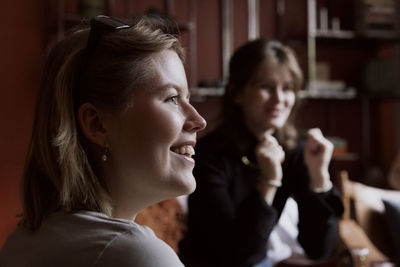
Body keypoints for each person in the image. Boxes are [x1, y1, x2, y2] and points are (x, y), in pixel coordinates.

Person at [0, 14, 206, 267]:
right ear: (97, 124)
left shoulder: (22, 240)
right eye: (172, 98)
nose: (199, 120)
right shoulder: (137, 255)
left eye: (188, 98)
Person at [178, 39, 344, 267]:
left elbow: (318, 249)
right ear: (237, 93)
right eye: (266, 86)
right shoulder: (209, 154)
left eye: (287, 88)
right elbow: (234, 256)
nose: (279, 99)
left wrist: (320, 178)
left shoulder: (294, 151)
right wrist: (269, 182)